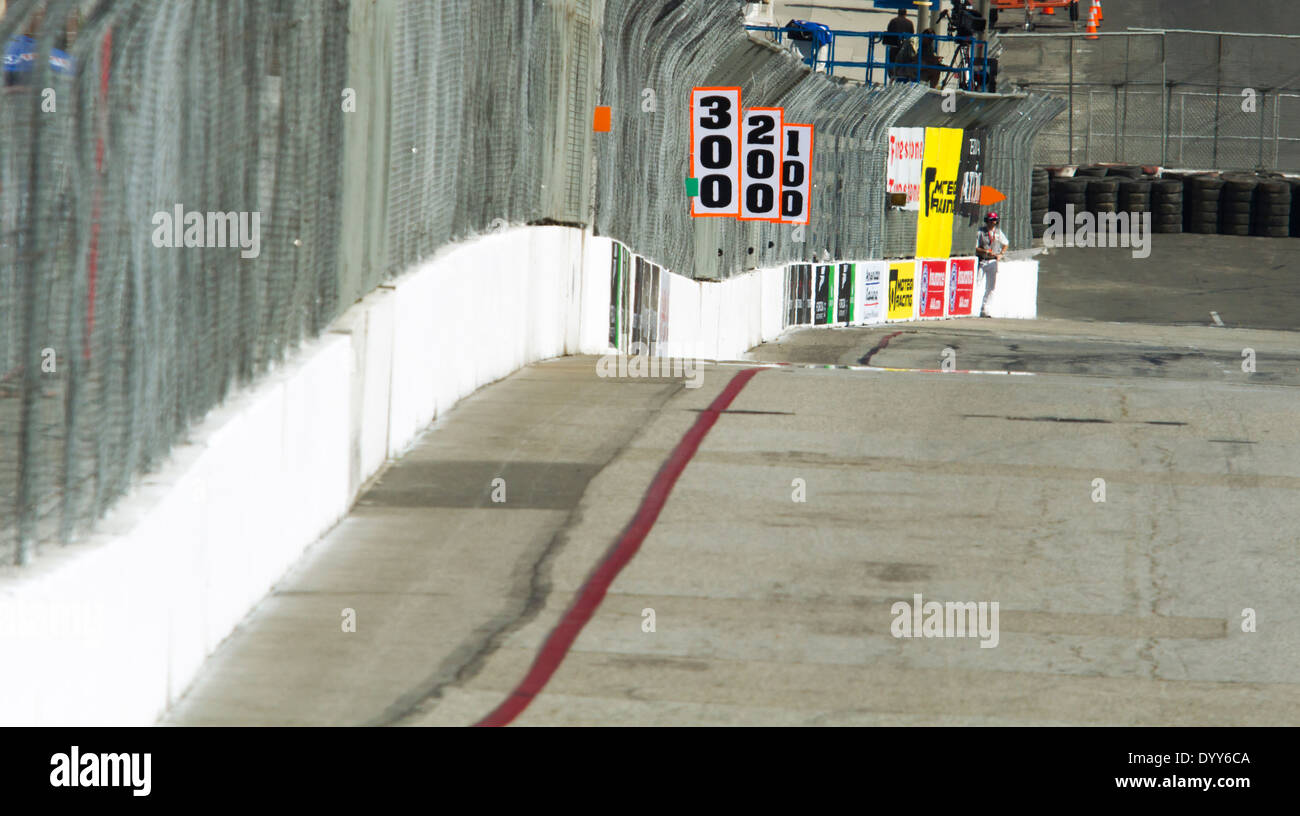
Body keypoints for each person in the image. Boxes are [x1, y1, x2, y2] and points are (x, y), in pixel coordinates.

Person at [974, 211, 1008, 317]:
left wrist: (1001, 254)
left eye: (995, 221)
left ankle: (985, 309)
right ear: (987, 221)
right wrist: (984, 251)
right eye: (991, 220)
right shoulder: (980, 232)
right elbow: (975, 247)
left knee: (991, 287)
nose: (993, 223)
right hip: (982, 261)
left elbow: (1006, 243)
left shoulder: (998, 232)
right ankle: (973, 307)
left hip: (993, 262)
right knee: (977, 284)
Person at [884, 9, 914, 80]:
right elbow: (912, 35)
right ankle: (902, 78)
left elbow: (889, 32)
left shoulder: (893, 21)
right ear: (905, 14)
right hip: (905, 48)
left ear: (898, 13)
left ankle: (892, 77)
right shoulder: (909, 23)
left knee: (892, 63)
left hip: (894, 47)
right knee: (904, 64)